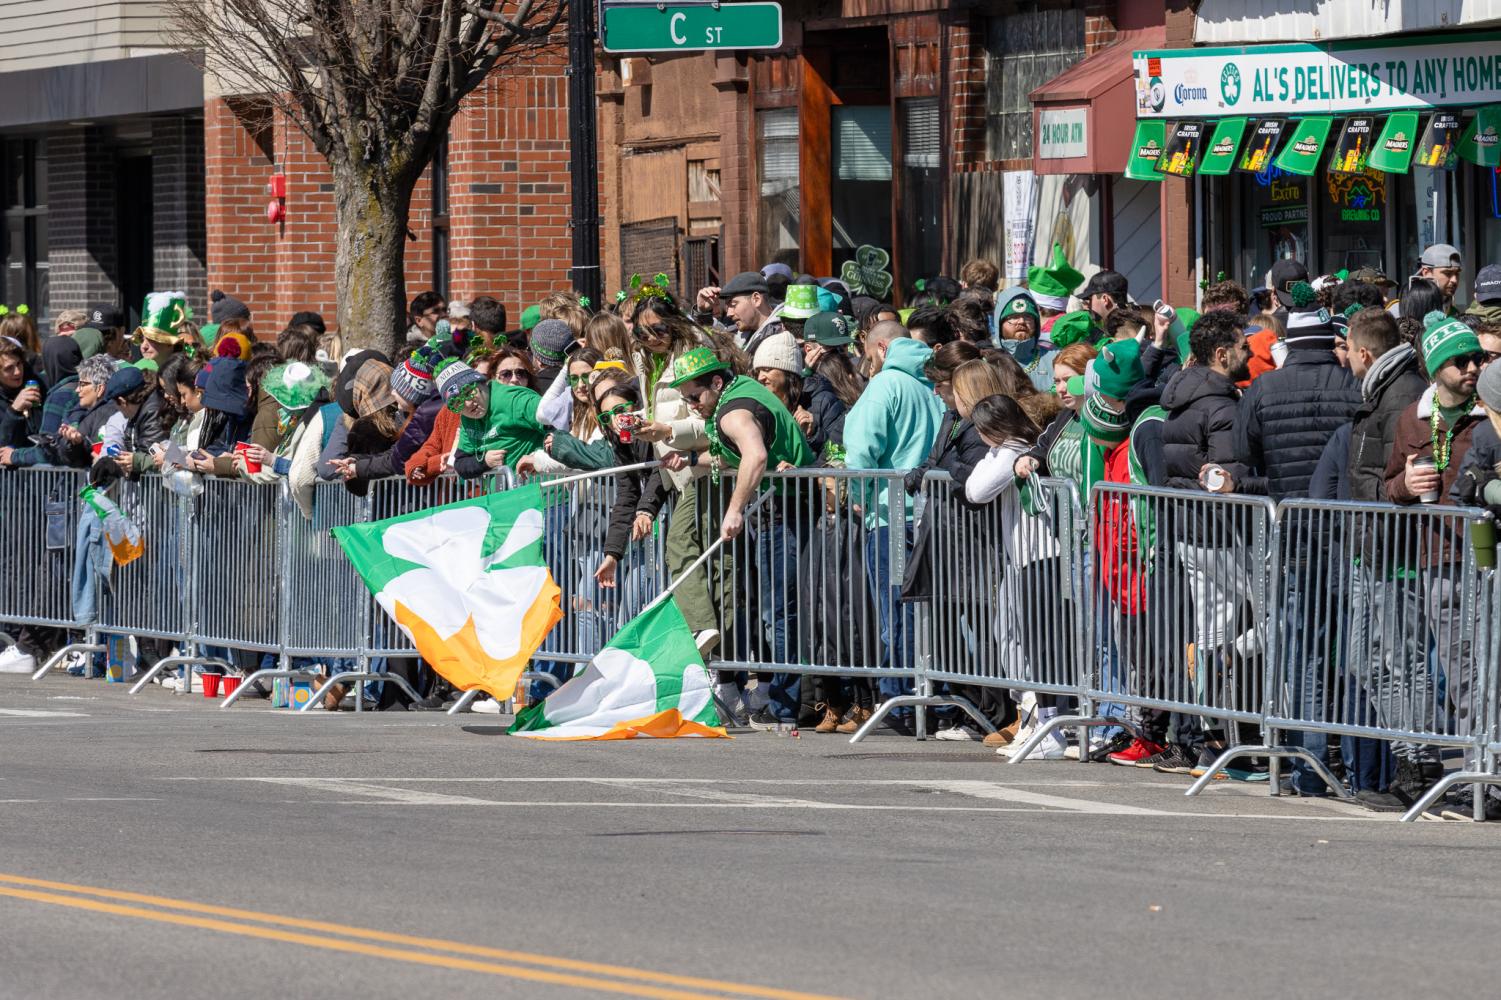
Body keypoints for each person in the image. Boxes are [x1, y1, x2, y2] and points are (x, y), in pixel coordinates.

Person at [670, 345, 814, 728]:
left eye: (695, 396)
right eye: (686, 399)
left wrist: (733, 510)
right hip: (776, 508)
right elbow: (730, 457)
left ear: (716, 382)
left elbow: (755, 456)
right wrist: (688, 460)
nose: (693, 405)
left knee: (777, 613)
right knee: (771, 610)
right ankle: (775, 700)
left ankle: (782, 707)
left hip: (786, 508)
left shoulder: (734, 410)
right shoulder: (737, 395)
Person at [1380, 310, 1488, 807]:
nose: (1472, 367)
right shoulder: (1412, 417)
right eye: (1461, 360)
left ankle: (1486, 772)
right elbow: (1387, 487)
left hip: (1485, 554)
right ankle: (1476, 774)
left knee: (1487, 668)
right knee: (1462, 667)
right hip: (1435, 558)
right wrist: (1405, 485)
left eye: (1477, 358)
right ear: (1435, 368)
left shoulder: (1492, 411)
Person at [843, 321, 944, 732]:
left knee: (894, 616)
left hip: (889, 515)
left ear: (881, 348)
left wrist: (859, 501)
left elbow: (863, 449)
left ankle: (899, 704)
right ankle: (920, 702)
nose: (867, 364)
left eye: (868, 356)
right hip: (926, 513)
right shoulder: (931, 387)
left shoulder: (885, 386)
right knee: (920, 616)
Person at [1237, 284, 1363, 501]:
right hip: (1340, 515)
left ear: (1291, 342)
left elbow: (1243, 450)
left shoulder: (1263, 387)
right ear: (1328, 340)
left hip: (1286, 512)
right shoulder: (1355, 386)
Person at [796, 312, 863, 458]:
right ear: (808, 350)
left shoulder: (859, 380)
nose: (839, 356)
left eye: (842, 348)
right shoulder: (802, 393)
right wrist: (806, 374)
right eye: (831, 350)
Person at [697, 272, 784, 359]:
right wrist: (704, 313)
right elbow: (714, 343)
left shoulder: (783, 333)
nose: (729, 314)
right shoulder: (735, 333)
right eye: (727, 307)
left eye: (733, 305)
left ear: (756, 299)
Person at [991, 287, 1057, 392]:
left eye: (1028, 316)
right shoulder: (988, 364)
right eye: (1013, 316)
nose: (1021, 321)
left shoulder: (1055, 357)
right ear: (1000, 323)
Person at [1414, 244, 1462, 314]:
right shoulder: (1403, 309)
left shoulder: (1455, 313)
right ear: (1426, 273)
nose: (1454, 280)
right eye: (1447, 273)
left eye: (1457, 273)